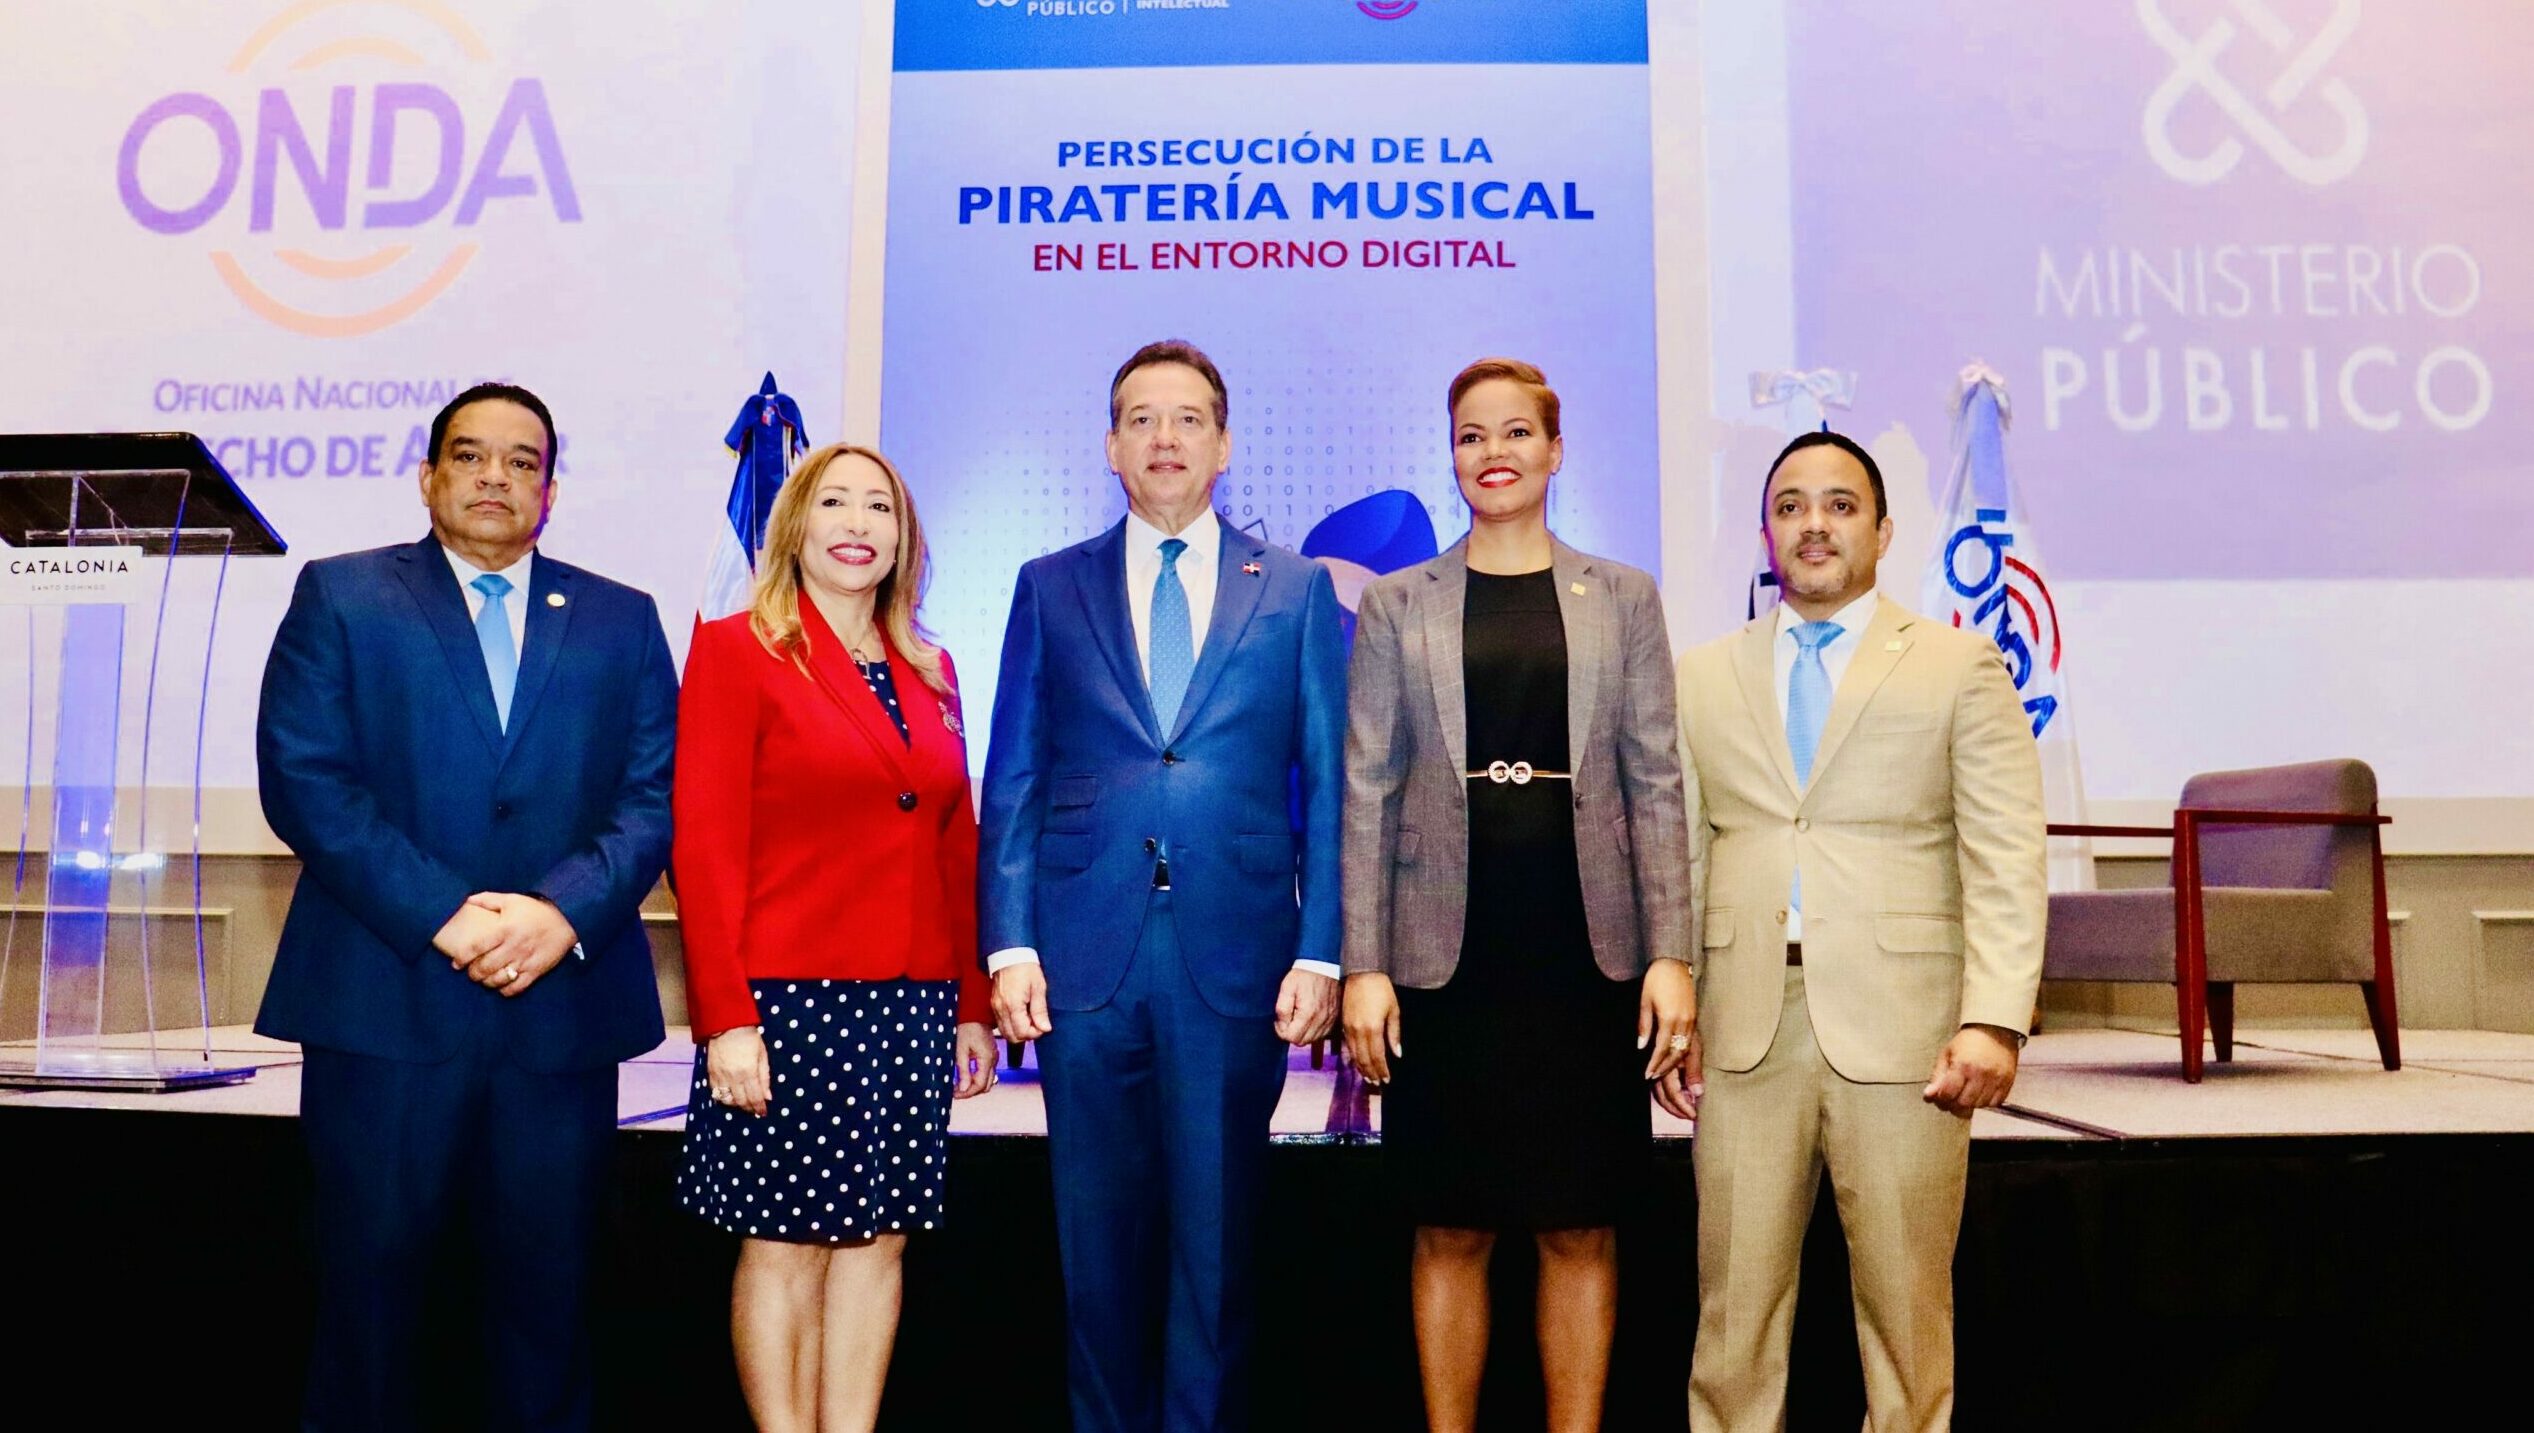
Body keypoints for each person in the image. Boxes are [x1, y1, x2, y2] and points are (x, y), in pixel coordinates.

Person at [255, 381, 677, 1432]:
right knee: (367, 1306)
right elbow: (305, 779)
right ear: (428, 475)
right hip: (384, 1004)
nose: (496, 476)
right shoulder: (343, 595)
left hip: (558, 1015)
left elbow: (654, 796)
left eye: (523, 461)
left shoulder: (622, 617)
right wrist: (446, 913)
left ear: (550, 490)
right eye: (471, 455)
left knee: (549, 1309)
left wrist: (558, 913)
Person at [978, 339, 1347, 1433]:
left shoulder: (1294, 589)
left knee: (1216, 1253)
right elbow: (1015, 772)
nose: (1165, 438)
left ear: (1224, 446)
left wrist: (1322, 947)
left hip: (1237, 958)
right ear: (1110, 446)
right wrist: (1009, 943)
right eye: (1141, 418)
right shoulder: (1048, 584)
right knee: (1095, 1251)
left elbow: (1330, 781)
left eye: (1188, 418)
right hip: (1082, 958)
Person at [1339, 357, 1696, 1433]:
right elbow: (1366, 785)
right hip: (1440, 958)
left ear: (1554, 449)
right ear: (1451, 456)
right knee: (1448, 1225)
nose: (1492, 452)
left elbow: (1655, 779)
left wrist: (1672, 952)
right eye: (1470, 435)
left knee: (1578, 1223)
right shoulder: (1396, 602)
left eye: (1515, 432)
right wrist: (1363, 964)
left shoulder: (1622, 595)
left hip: (1584, 955)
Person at [1665, 431, 2045, 1432]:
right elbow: (1684, 853)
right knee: (1731, 1318)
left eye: (1839, 504)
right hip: (1745, 1028)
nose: (1814, 524)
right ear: (1765, 532)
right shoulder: (1701, 675)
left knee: (1906, 1316)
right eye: (1790, 505)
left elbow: (2004, 852)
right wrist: (1681, 998)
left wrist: (1994, 1018)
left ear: (1882, 530)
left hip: (1907, 1030)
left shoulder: (1958, 664)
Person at [671, 441, 998, 1432]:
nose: (858, 524)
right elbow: (704, 847)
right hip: (785, 1003)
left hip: (910, 1002)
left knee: (878, 1240)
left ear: (904, 538)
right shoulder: (737, 650)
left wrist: (971, 1006)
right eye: (835, 503)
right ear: (796, 527)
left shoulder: (933, 668)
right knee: (783, 1245)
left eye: (879, 507)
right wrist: (725, 1018)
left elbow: (954, 846)